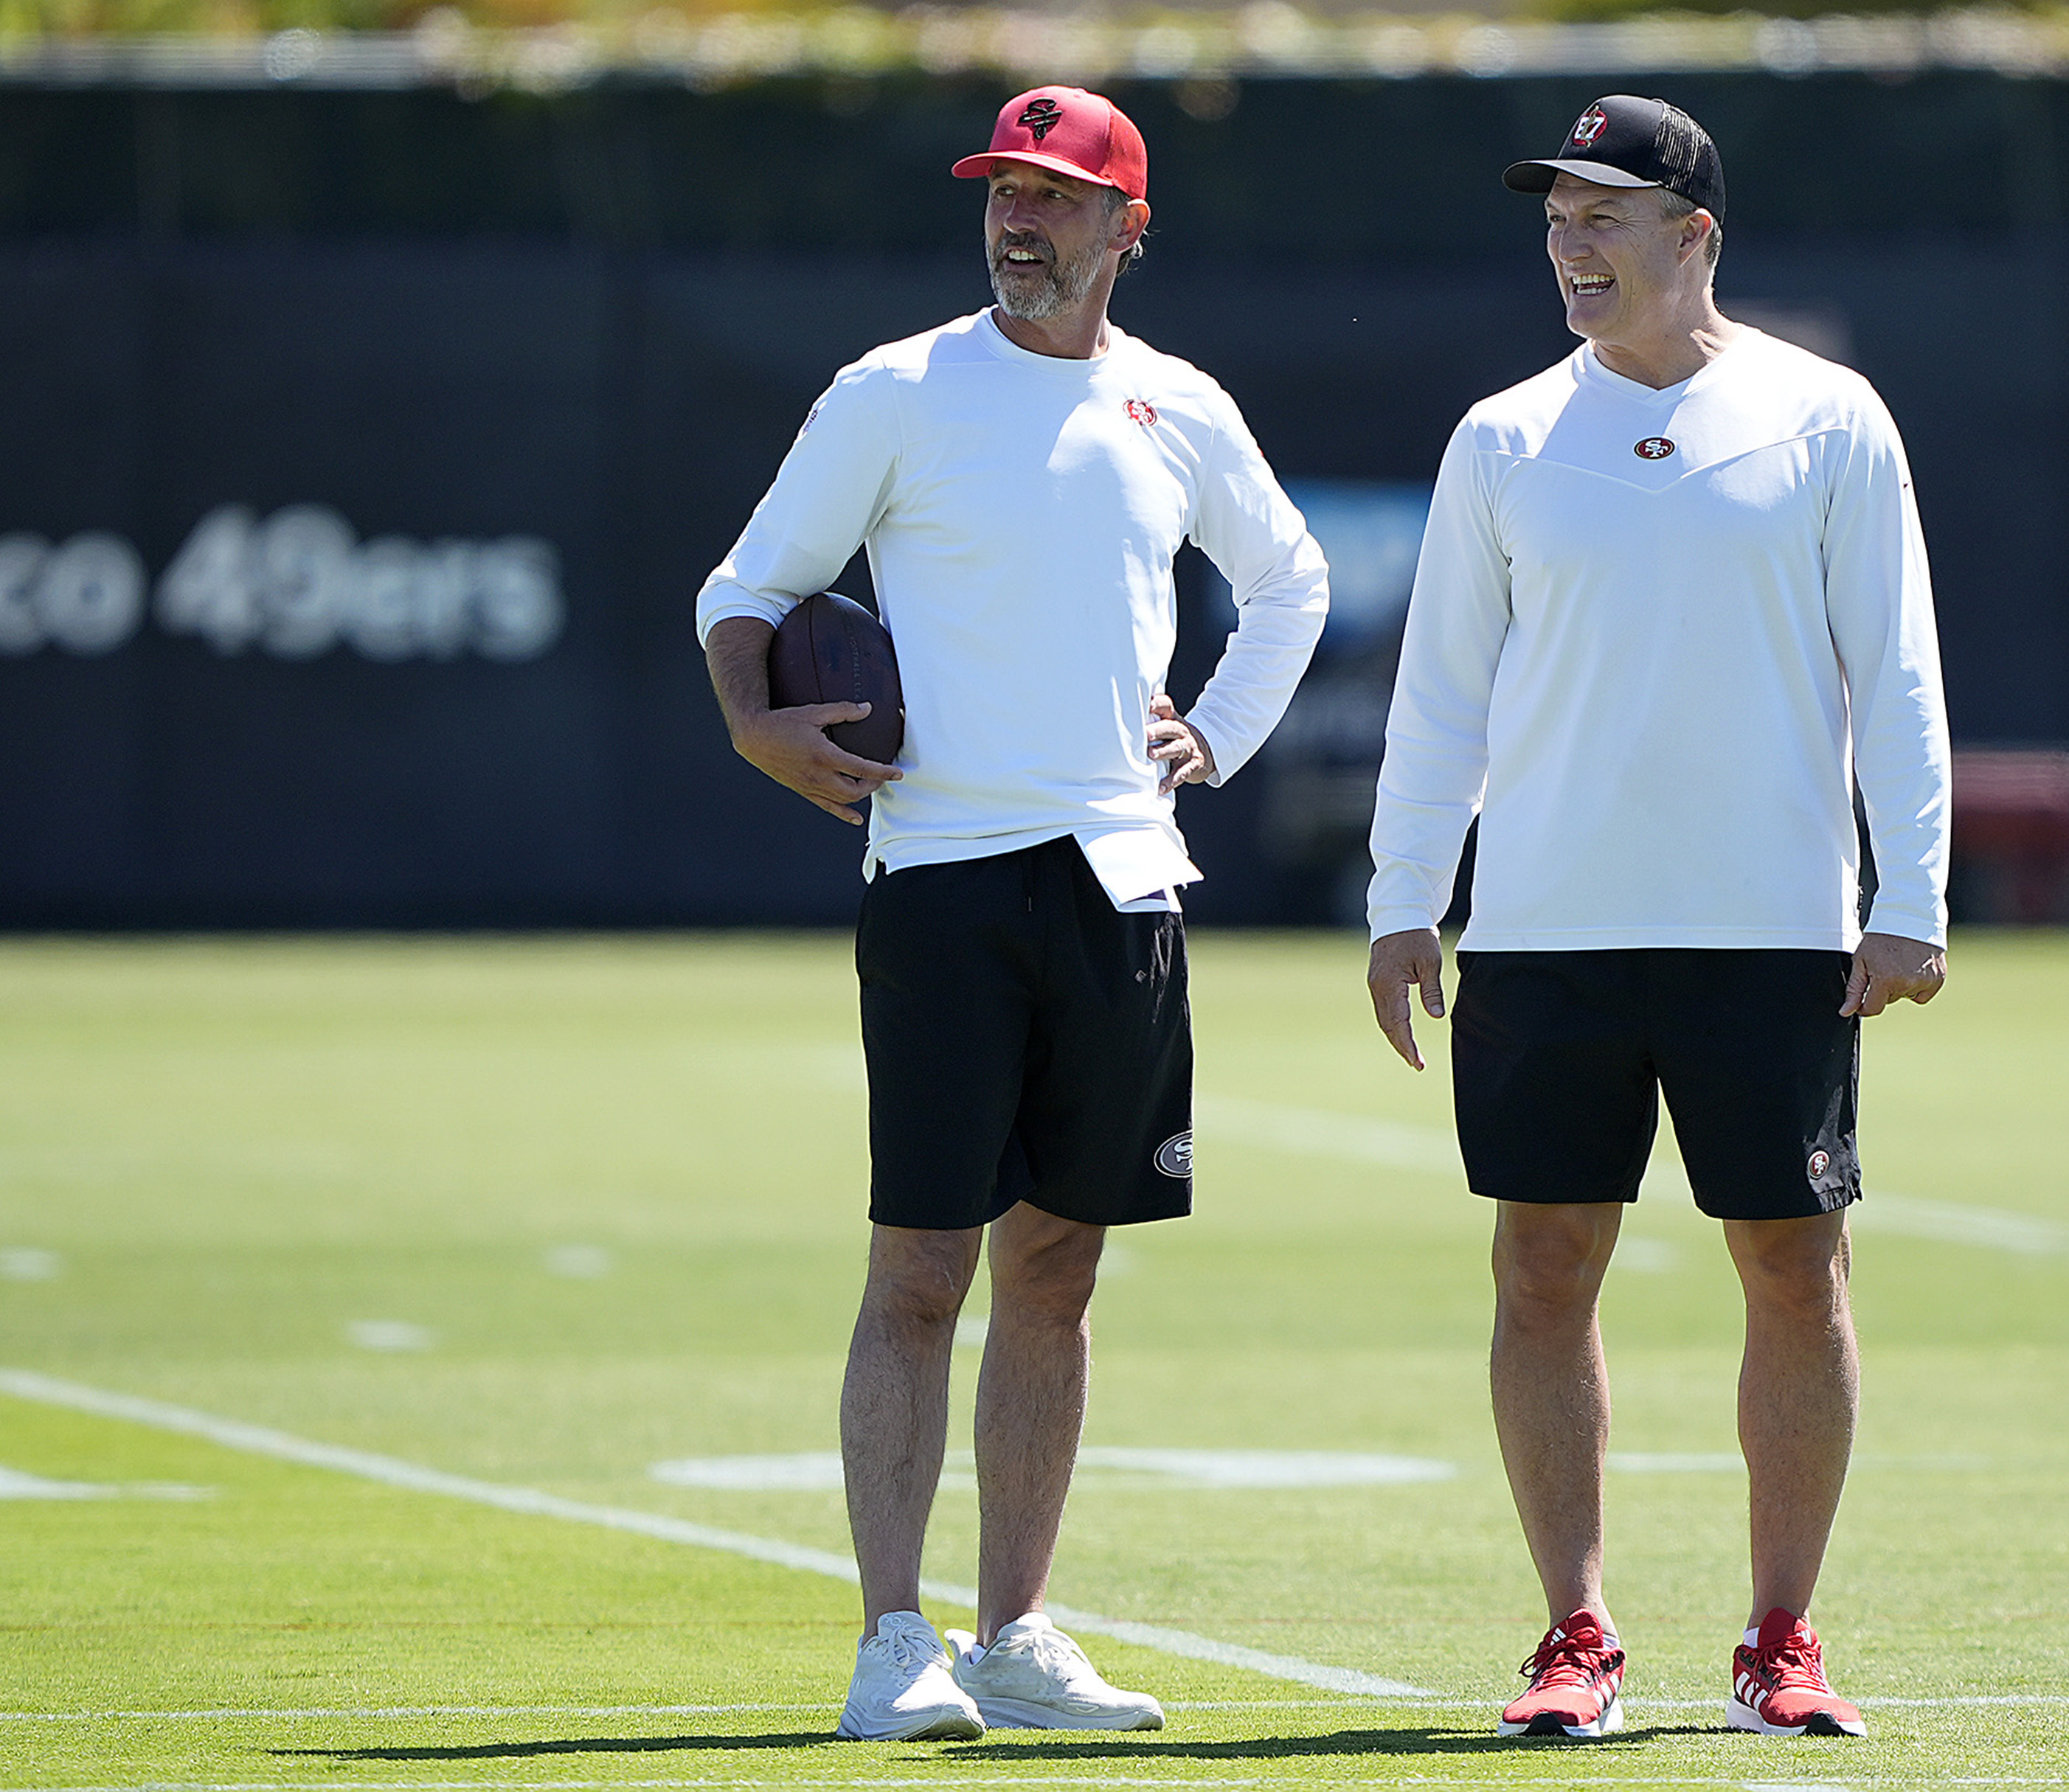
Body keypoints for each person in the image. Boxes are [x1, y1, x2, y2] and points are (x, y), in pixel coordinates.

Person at [696, 84, 1328, 1743]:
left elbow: (1290, 580)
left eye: (1055, 196)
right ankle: (891, 1642)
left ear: (1129, 229)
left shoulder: (1176, 404)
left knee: (1060, 1274)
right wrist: (755, 722)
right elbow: (746, 588)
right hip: (943, 883)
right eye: (1001, 191)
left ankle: (1019, 1635)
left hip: (1124, 882)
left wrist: (1218, 730)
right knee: (922, 1267)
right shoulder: (895, 390)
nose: (1017, 221)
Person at [1362, 94, 1950, 1743]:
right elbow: (1442, 695)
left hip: (1775, 932)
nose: (1570, 238)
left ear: (1695, 236)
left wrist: (1913, 892)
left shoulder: (1828, 419)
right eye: (1557, 212)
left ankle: (1784, 1636)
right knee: (1542, 1269)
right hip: (1547, 933)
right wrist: (1408, 898)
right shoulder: (1500, 437)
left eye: (1606, 212)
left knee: (1793, 1265)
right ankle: (1574, 1632)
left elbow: (1896, 670)